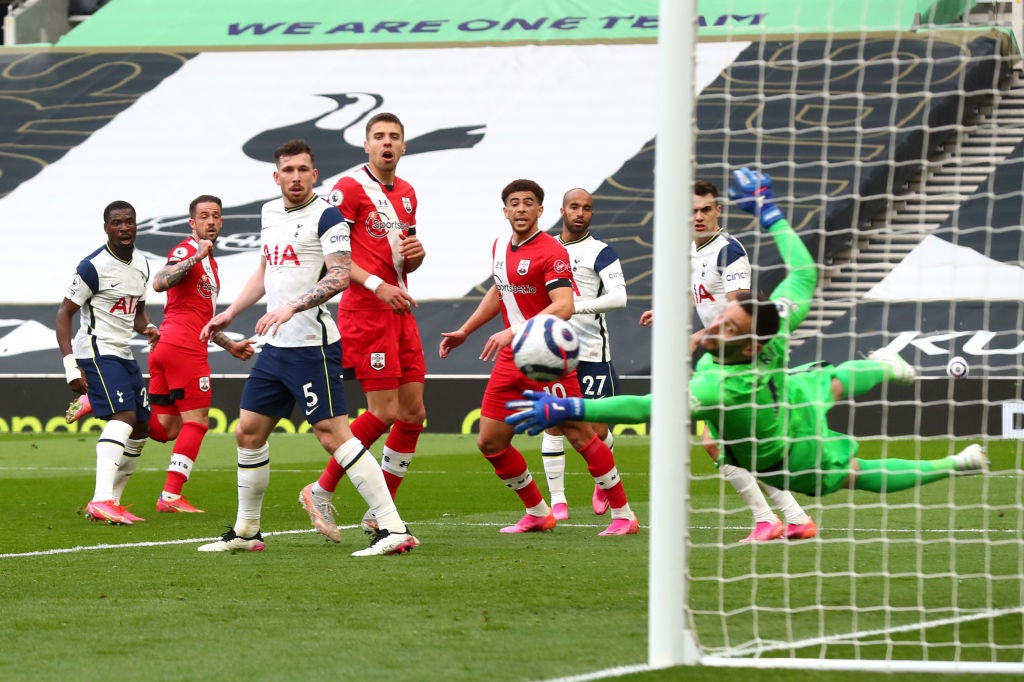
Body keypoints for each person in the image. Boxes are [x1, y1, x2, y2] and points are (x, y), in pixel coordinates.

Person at [506, 168, 988, 503]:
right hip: (790, 390)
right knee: (835, 378)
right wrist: (772, 214)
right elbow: (802, 272)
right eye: (721, 319)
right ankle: (887, 365)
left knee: (856, 475)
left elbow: (648, 407)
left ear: (749, 344)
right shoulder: (770, 326)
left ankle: (952, 464)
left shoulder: (718, 386)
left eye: (726, 326)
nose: (715, 324)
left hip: (786, 449)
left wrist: (573, 408)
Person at [196, 139, 418, 556]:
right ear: (276, 176)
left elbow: (337, 276)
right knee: (248, 431)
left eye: (303, 169)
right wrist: (231, 312)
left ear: (314, 175)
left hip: (312, 347)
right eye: (288, 170)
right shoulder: (269, 212)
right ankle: (246, 531)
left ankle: (392, 528)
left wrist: (291, 307)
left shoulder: (328, 216)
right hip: (274, 347)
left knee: (333, 435)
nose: (295, 177)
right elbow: (267, 267)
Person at [440, 179, 639, 536]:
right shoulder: (500, 246)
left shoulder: (552, 252)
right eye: (513, 203)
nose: (520, 209)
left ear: (540, 211)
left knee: (580, 436)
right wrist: (465, 331)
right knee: (490, 441)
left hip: (549, 360)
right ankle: (537, 511)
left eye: (528, 203)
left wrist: (513, 331)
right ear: (504, 211)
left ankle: (624, 514)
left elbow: (563, 305)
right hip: (510, 360)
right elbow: (499, 293)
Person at [640, 179, 816, 542]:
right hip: (723, 356)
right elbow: (700, 298)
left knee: (721, 442)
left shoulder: (728, 250)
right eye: (692, 211)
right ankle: (790, 518)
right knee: (726, 443)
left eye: (706, 209)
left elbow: (738, 308)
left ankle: (775, 519)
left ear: (718, 210)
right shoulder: (690, 250)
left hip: (740, 355)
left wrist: (698, 337)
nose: (699, 216)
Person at [298, 112, 426, 542]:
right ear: (366, 146)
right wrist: (377, 285)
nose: (387, 143)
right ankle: (320, 490)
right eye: (379, 137)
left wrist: (417, 255)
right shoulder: (348, 189)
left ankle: (377, 513)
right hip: (366, 310)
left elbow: (403, 257)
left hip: (399, 308)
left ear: (403, 146)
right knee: (384, 411)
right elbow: (332, 257)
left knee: (413, 414)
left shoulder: (406, 193)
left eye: (394, 137)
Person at [56, 200, 160, 525]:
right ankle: (100, 499)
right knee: (125, 416)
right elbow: (64, 314)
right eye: (116, 223)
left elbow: (136, 311)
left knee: (143, 426)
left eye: (129, 221)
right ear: (106, 228)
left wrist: (148, 327)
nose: (124, 228)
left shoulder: (142, 264)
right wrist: (71, 366)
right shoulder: (92, 267)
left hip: (123, 353)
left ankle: (113, 501)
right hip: (96, 351)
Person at [537, 188, 627, 521]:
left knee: (596, 430)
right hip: (552, 352)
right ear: (562, 210)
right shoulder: (543, 247)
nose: (580, 213)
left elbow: (619, 297)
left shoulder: (601, 251)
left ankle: (603, 482)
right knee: (554, 425)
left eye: (587, 208)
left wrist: (573, 308)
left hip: (591, 351)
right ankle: (557, 500)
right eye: (574, 207)